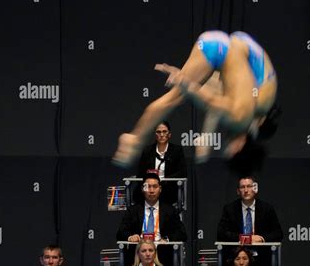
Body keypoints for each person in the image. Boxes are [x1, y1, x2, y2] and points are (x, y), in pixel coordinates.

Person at [113, 30, 278, 167]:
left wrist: (206, 134)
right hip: (219, 49)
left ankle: (136, 137)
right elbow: (216, 104)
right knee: (174, 99)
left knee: (181, 95)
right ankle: (135, 138)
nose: (226, 145)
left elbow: (218, 103)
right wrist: (187, 84)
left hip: (217, 45)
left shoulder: (259, 94)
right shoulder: (253, 107)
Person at [217, 176, 283, 266]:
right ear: (238, 191)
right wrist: (244, 238)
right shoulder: (229, 209)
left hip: (260, 258)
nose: (246, 190)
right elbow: (221, 233)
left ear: (255, 189)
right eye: (242, 187)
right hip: (235, 258)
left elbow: (278, 233)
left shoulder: (267, 209)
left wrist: (262, 238)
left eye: (249, 186)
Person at [116, 173, 187, 266]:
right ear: (142, 189)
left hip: (162, 254)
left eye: (155, 187)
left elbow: (182, 233)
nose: (152, 190)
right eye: (148, 187)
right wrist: (130, 237)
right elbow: (120, 232)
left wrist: (166, 239)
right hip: (139, 254)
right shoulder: (133, 210)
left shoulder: (170, 210)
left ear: (160, 189)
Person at [136, 121, 187, 205]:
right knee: (137, 194)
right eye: (158, 132)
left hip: (167, 187)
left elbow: (183, 172)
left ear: (169, 134)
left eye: (164, 131)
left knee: (166, 196)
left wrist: (163, 181)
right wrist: (151, 184)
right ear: (155, 134)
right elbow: (140, 173)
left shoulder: (176, 150)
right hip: (149, 187)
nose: (162, 134)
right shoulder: (147, 151)